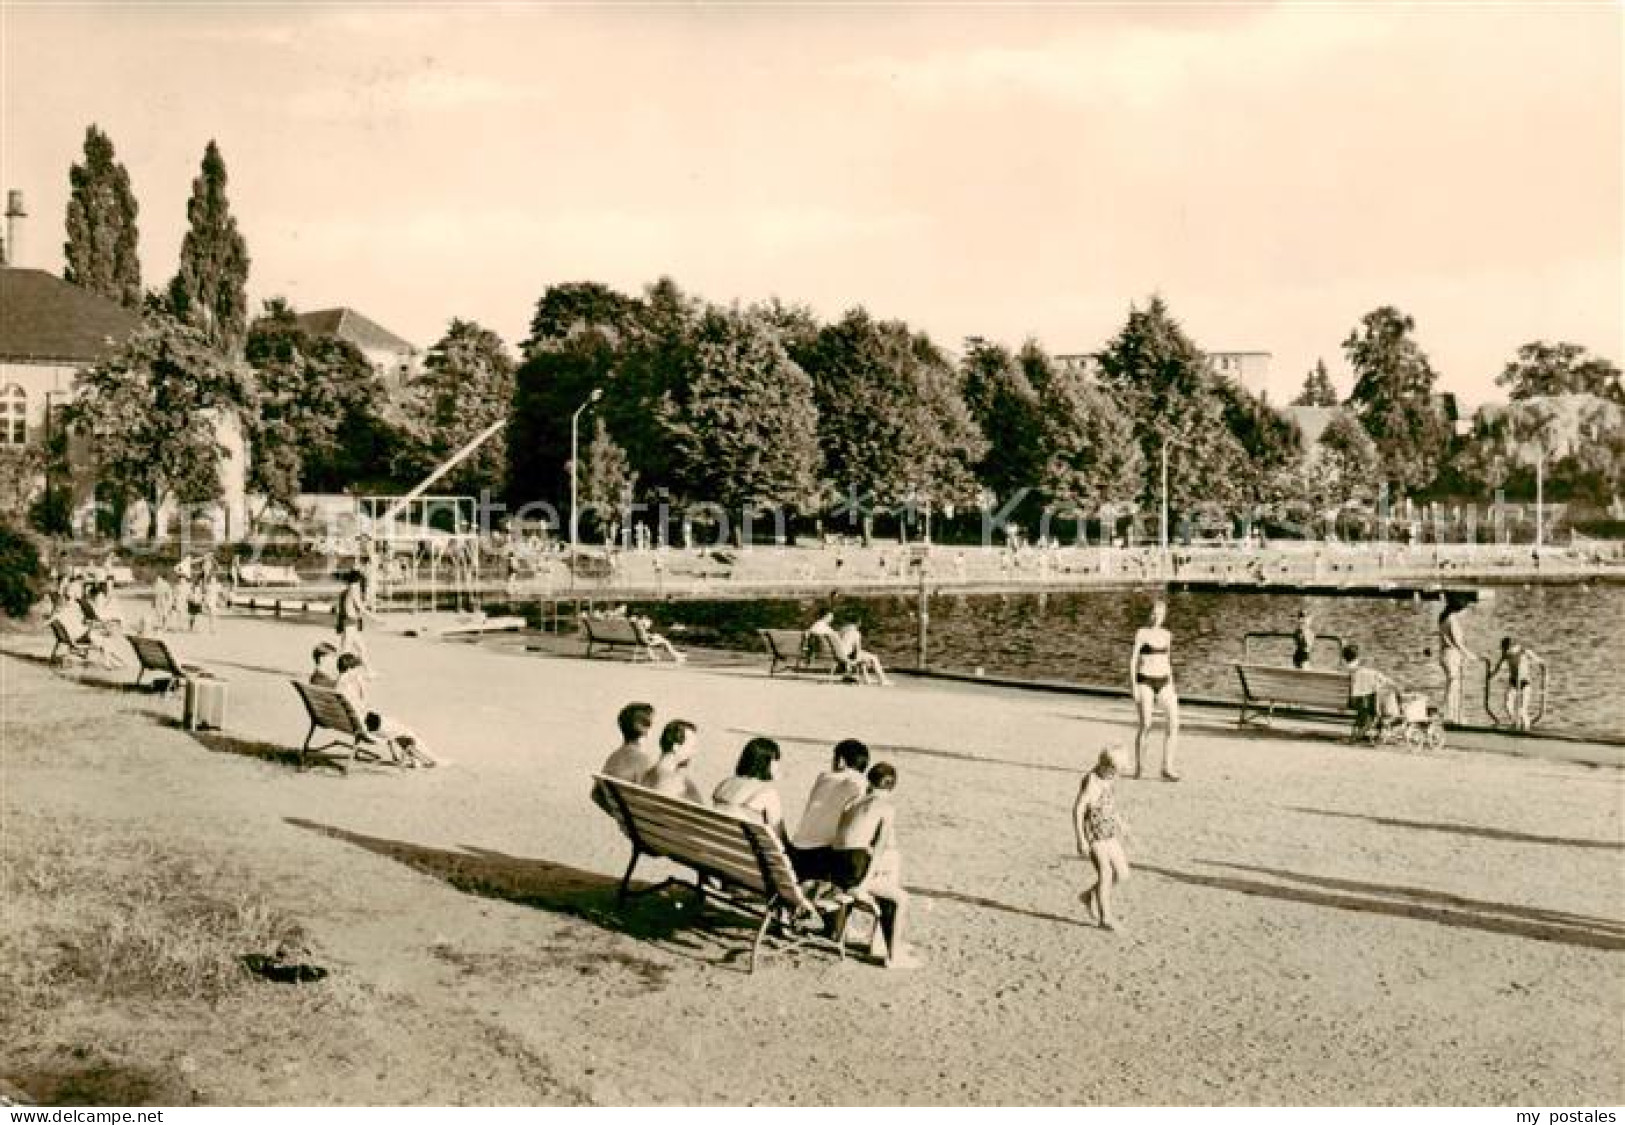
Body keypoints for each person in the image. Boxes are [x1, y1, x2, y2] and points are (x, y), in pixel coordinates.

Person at [828, 762, 915, 966]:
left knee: (887, 872)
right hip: (855, 870)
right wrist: (864, 883)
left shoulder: (853, 801)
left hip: (836, 868)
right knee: (901, 898)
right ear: (892, 787)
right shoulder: (886, 808)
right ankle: (894, 956)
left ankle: (885, 943)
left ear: (870, 781)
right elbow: (879, 849)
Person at [788, 739, 870, 881]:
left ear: (841, 761)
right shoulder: (861, 784)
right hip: (822, 858)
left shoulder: (823, 777)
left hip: (797, 853)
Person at [1072, 749, 1130, 932]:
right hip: (1095, 834)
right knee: (1106, 873)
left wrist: (1121, 823)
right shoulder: (1092, 782)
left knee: (1122, 874)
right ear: (1105, 766)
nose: (1117, 775)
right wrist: (1080, 838)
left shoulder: (1109, 778)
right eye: (1115, 771)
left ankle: (1089, 895)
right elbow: (1078, 809)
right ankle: (1105, 918)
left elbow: (1110, 804)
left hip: (1109, 832)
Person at [1129, 600, 1181, 781]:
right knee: (1146, 725)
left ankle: (1167, 767)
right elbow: (1133, 660)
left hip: (1165, 681)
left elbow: (1168, 660)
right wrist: (1134, 686)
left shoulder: (1167, 635)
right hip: (1145, 681)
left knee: (1174, 724)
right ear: (1150, 614)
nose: (1157, 617)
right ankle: (1140, 767)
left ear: (1164, 615)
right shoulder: (1141, 633)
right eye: (1154, 613)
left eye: (1160, 614)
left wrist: (1172, 685)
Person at [591, 702, 658, 815]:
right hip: (643, 828)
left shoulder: (613, 758)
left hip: (631, 824)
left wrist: (622, 817)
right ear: (646, 729)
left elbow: (595, 795)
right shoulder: (643, 761)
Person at [712, 737, 785, 838]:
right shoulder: (767, 793)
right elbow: (778, 837)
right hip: (746, 851)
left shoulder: (724, 784)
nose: (778, 765)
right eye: (777, 760)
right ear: (768, 762)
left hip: (719, 844)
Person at [638, 720, 704, 804]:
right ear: (675, 747)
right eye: (692, 747)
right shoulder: (672, 781)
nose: (694, 752)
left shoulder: (649, 774)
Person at [1489, 637, 1545, 732]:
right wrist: (1492, 674)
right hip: (1513, 681)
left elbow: (1537, 659)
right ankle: (1515, 721)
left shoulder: (1524, 651)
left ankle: (1526, 728)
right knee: (1507, 704)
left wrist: (1542, 665)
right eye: (1504, 650)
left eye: (1506, 649)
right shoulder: (1506, 654)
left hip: (1525, 682)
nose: (1505, 652)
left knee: (1522, 709)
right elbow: (1498, 665)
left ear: (1513, 647)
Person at [1437, 597, 1476, 725]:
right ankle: (1451, 715)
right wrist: (1469, 654)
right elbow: (1457, 642)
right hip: (1451, 654)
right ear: (1459, 609)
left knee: (1452, 685)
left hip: (1445, 654)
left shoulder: (1443, 617)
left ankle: (1451, 714)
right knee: (1454, 685)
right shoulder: (1452, 620)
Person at [362, 712, 436, 768]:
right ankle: (425, 762)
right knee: (411, 750)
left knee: (411, 749)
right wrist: (396, 757)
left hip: (404, 736)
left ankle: (426, 762)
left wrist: (396, 757)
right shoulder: (385, 728)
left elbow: (390, 742)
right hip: (403, 735)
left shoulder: (384, 730)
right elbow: (390, 742)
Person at [336, 569, 376, 668]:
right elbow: (360, 607)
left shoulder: (349, 589)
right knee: (345, 650)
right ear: (358, 580)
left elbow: (354, 606)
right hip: (350, 623)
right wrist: (375, 618)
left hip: (351, 622)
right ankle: (341, 672)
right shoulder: (354, 588)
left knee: (361, 649)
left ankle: (370, 671)